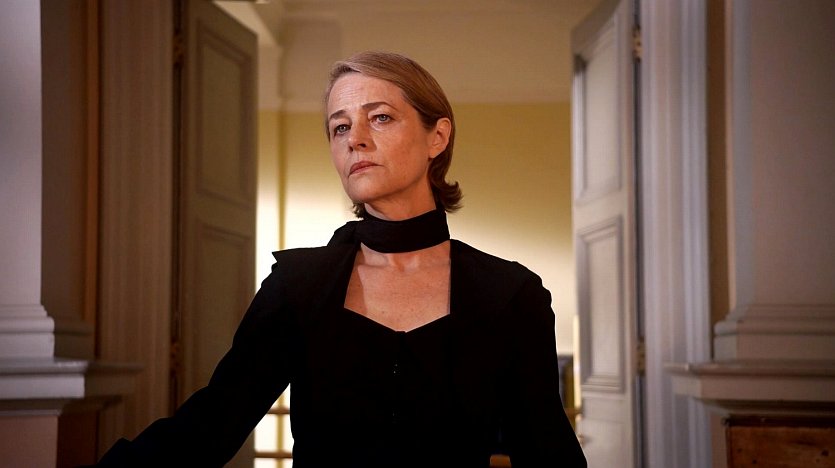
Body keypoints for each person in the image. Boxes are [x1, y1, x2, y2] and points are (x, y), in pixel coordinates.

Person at [95, 51, 586, 468]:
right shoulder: (298, 286)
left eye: (381, 117)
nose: (355, 139)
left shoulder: (510, 294)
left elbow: (548, 454)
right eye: (340, 126)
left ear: (437, 138)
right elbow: (211, 425)